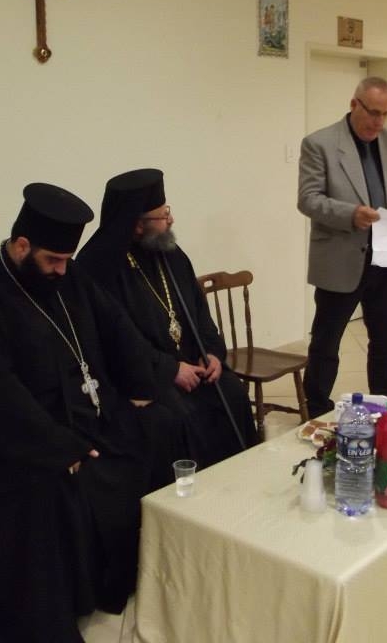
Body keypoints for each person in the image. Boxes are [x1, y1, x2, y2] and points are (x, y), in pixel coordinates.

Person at [0, 182, 158, 643]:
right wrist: (58, 446)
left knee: (158, 429)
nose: (62, 271)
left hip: (79, 421)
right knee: (49, 493)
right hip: (8, 447)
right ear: (21, 246)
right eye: (53, 260)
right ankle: (59, 605)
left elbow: (115, 324)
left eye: (67, 260)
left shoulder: (61, 275)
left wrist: (142, 384)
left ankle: (126, 578)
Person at [76, 169, 258, 486]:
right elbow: (115, 342)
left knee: (231, 392)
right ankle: (191, 500)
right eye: (162, 216)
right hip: (142, 378)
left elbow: (199, 312)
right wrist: (170, 369)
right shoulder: (99, 268)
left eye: (168, 211)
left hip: (190, 368)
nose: (170, 220)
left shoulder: (169, 253)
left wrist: (211, 353)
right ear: (136, 224)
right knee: (179, 419)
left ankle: (238, 485)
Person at [297, 76, 387, 417]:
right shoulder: (319, 143)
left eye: (386, 113)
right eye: (373, 112)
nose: (379, 121)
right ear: (354, 105)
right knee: (326, 342)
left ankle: (386, 408)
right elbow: (308, 199)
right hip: (341, 257)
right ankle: (315, 409)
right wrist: (350, 214)